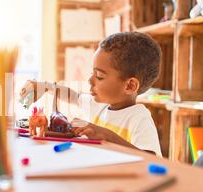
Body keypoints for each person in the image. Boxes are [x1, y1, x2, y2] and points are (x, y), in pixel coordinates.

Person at [19, 32, 162, 156]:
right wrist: (46, 87)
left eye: (99, 76)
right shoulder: (99, 105)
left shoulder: (139, 118)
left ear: (130, 85)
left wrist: (107, 135)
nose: (90, 80)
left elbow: (150, 158)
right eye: (92, 73)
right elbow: (73, 97)